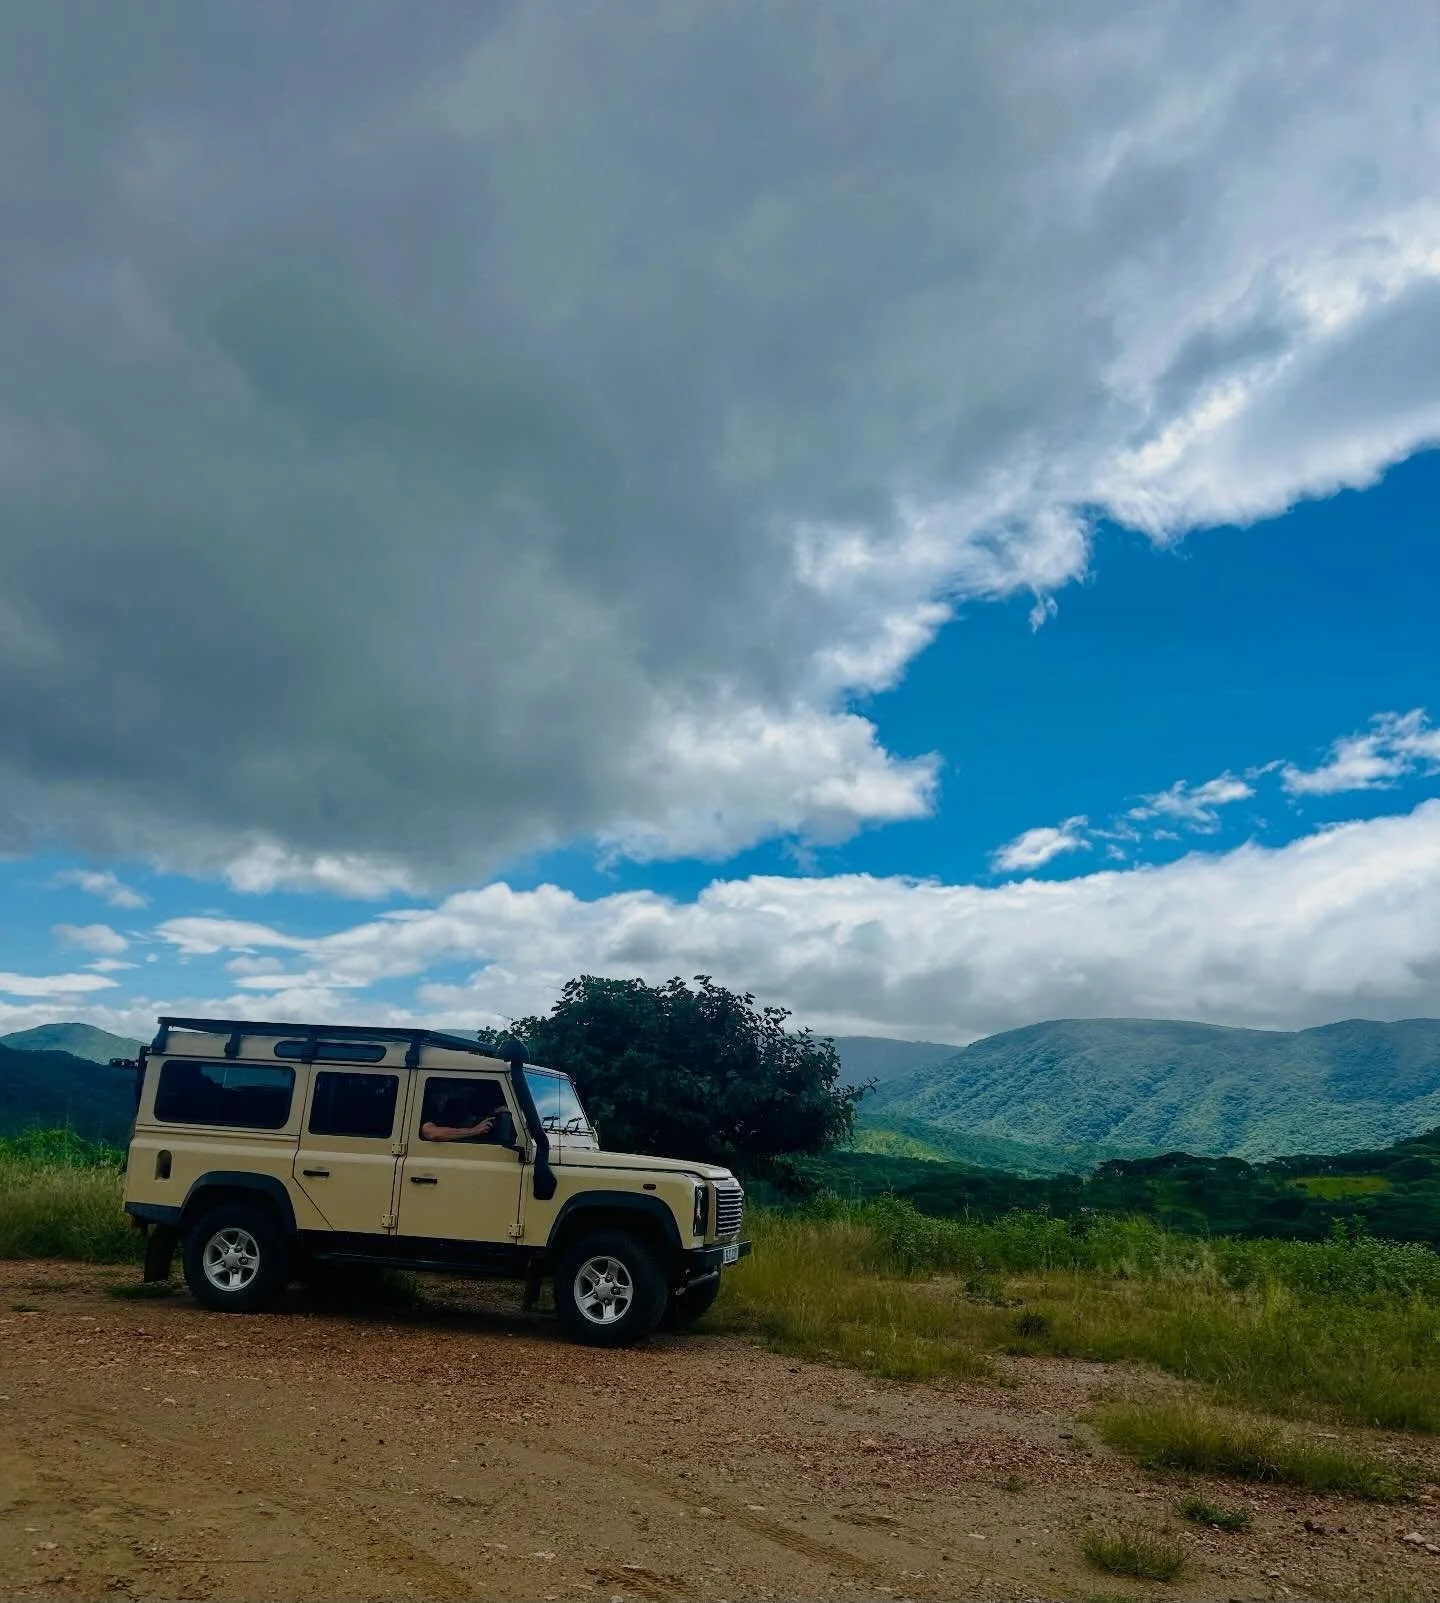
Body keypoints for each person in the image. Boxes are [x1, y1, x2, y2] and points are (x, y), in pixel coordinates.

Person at [420, 1091, 497, 1143]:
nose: (441, 1097)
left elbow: (470, 1119)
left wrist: (496, 1112)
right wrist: (474, 1130)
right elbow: (433, 1133)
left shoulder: (454, 1111)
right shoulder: (425, 1111)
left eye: (445, 1092)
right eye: (436, 1092)